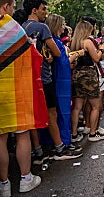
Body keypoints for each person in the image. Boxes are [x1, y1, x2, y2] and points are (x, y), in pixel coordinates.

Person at [22, 0, 80, 161]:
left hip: (26, 78)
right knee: (51, 114)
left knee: (32, 117)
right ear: (35, 10)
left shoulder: (21, 27)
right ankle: (60, 148)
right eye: (43, 9)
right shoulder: (42, 27)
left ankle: (38, 149)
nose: (45, 13)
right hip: (44, 79)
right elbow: (56, 53)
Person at [0, 0, 44, 196]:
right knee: (22, 135)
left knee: (0, 137)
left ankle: (4, 184)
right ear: (6, 6)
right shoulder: (12, 27)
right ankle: (26, 178)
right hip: (17, 91)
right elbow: (33, 56)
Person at [45, 14, 84, 154]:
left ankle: (61, 141)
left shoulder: (54, 41)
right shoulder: (55, 42)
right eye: (62, 24)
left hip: (60, 79)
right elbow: (64, 62)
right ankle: (64, 142)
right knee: (63, 112)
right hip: (61, 81)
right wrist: (78, 54)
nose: (64, 27)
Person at [70, 20, 104, 142]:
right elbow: (96, 58)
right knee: (95, 106)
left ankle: (74, 134)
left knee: (77, 107)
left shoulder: (74, 42)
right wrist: (101, 49)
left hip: (77, 74)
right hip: (89, 75)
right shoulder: (87, 42)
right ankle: (93, 133)